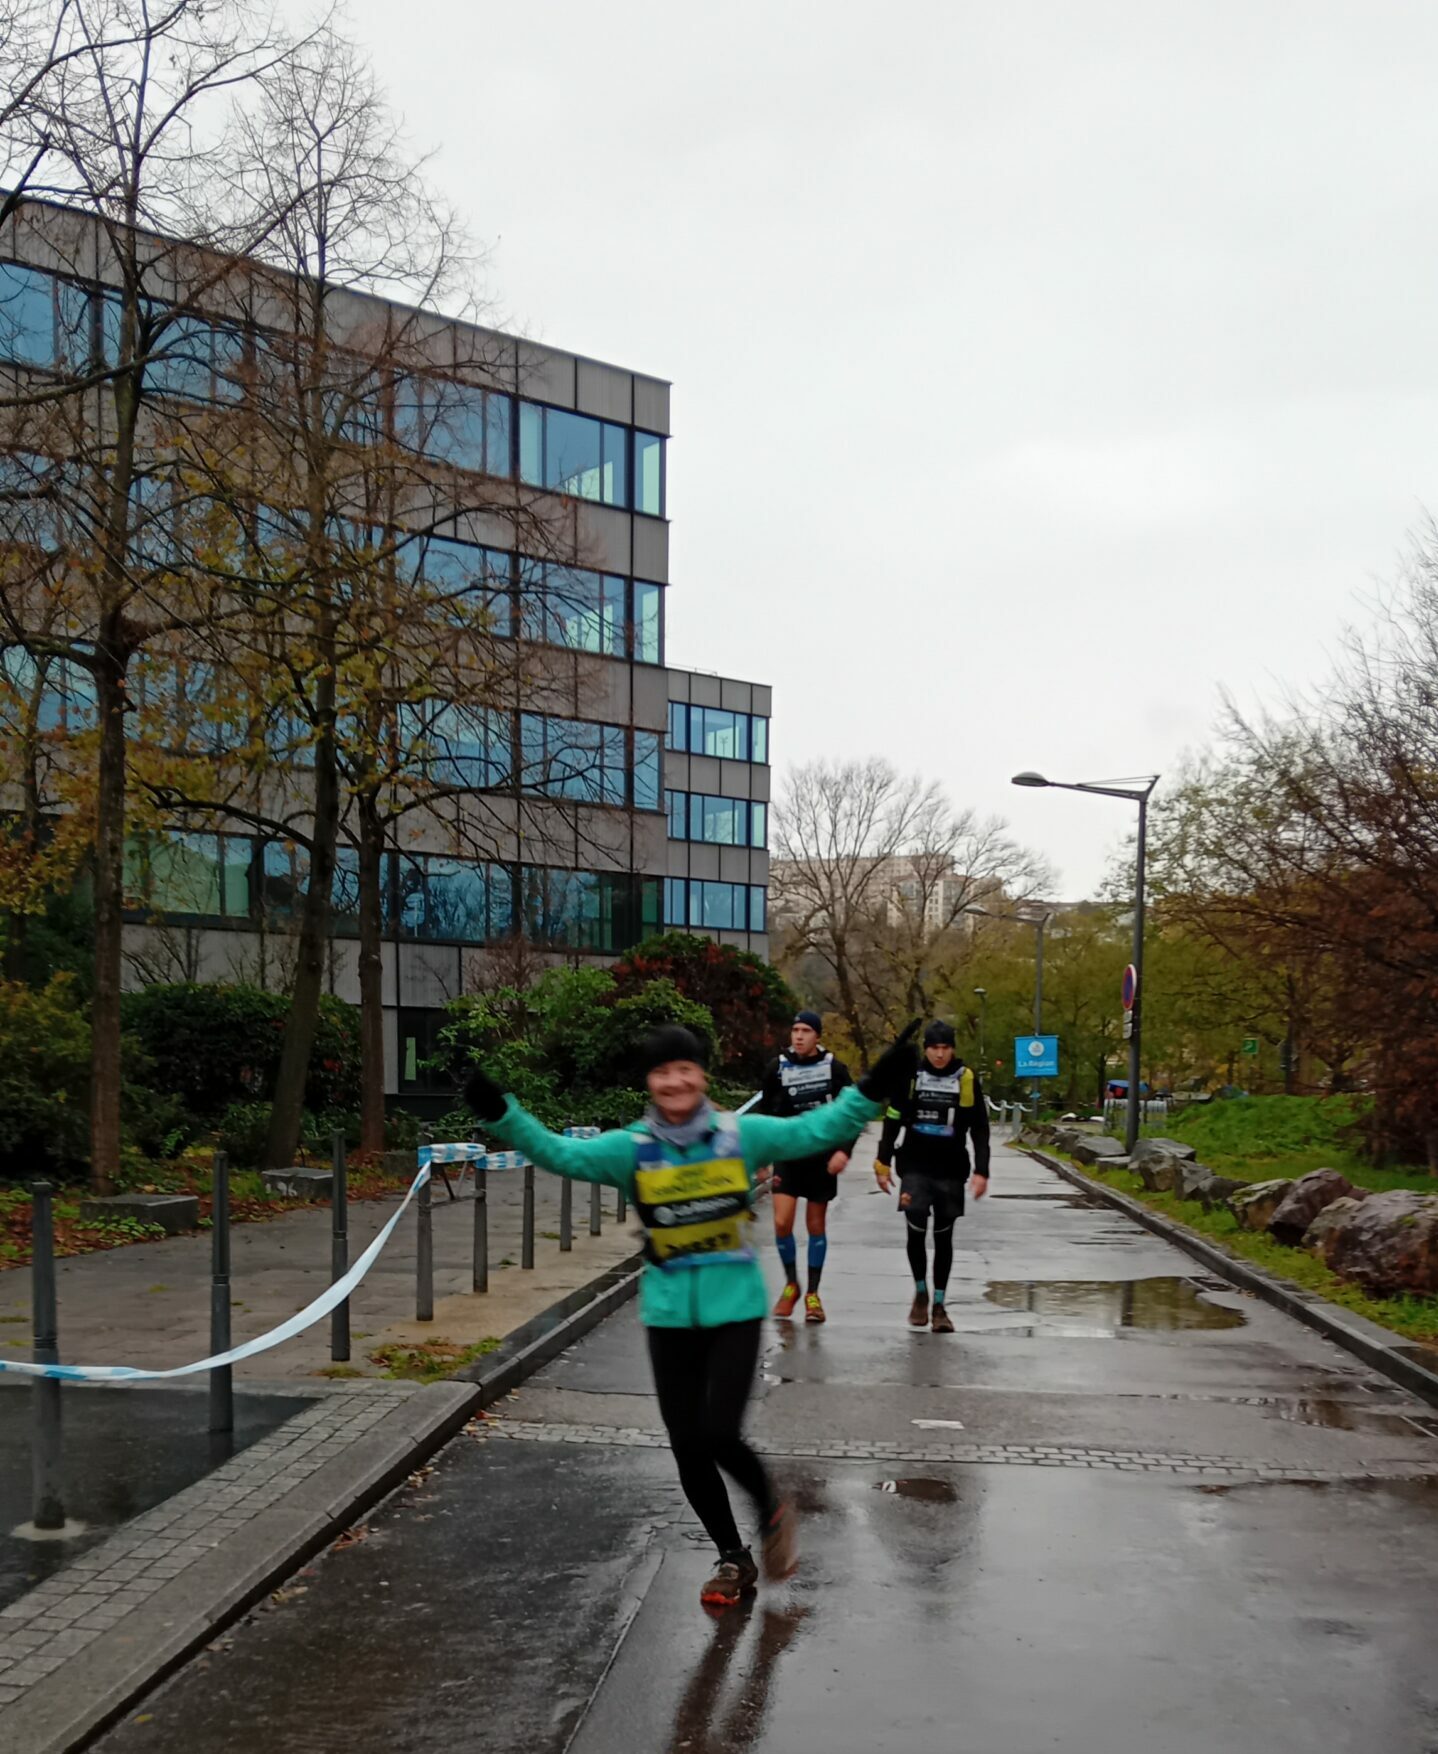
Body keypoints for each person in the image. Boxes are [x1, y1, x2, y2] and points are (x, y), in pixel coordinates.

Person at [463, 1019, 919, 1609]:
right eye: (661, 1072)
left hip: (733, 1310)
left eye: (684, 1069)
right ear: (649, 1082)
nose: (674, 1081)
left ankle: (772, 1510)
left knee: (720, 1432)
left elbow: (819, 1127)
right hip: (669, 1315)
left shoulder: (740, 1136)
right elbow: (558, 1152)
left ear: (702, 1076)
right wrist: (499, 1111)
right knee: (687, 1444)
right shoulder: (632, 1149)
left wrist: (876, 1083)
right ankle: (733, 1557)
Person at [874, 1019, 990, 1335]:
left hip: (951, 1169)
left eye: (945, 1048)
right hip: (914, 1167)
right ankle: (920, 1292)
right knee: (915, 1231)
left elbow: (979, 1128)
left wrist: (982, 1170)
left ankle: (939, 1305)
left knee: (943, 1237)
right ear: (926, 1049)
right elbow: (893, 1118)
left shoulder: (965, 1078)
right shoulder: (912, 1076)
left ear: (952, 1049)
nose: (940, 1054)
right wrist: (883, 1161)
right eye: (934, 1048)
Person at [759, 1009, 857, 1324]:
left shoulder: (834, 1069)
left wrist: (843, 1151)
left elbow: (853, 1113)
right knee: (781, 1223)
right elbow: (764, 1113)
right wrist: (761, 1156)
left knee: (815, 1225)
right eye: (795, 1030)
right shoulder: (777, 1067)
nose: (799, 1037)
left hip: (821, 1158)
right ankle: (791, 1284)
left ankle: (813, 1295)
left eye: (806, 1031)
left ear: (818, 1036)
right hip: (788, 1155)